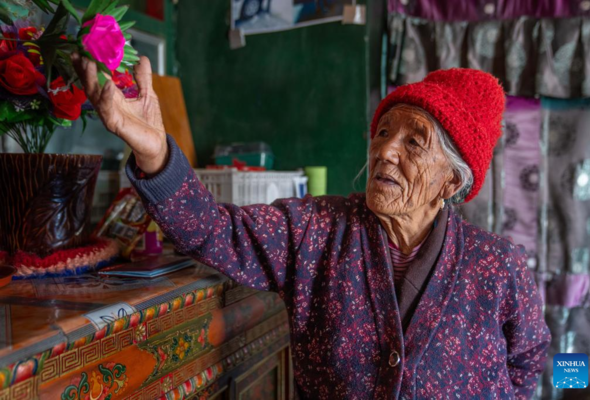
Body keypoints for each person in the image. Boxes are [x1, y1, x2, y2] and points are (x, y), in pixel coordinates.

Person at [73, 54, 551, 399]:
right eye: (383, 132)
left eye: (414, 141)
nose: (384, 150)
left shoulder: (499, 264)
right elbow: (212, 231)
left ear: (451, 180)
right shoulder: (318, 230)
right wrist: (155, 153)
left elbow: (540, 360)